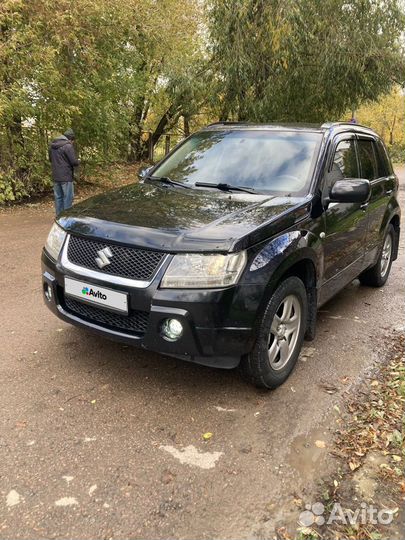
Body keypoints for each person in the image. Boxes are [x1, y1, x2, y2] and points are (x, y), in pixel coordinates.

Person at [49, 128, 79, 215]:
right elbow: (73, 162)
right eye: (73, 141)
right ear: (71, 139)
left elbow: (50, 159)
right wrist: (78, 161)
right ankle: (67, 216)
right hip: (66, 176)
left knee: (58, 197)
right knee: (68, 197)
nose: (72, 143)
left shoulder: (52, 146)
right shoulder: (68, 146)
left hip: (55, 175)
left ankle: (59, 216)